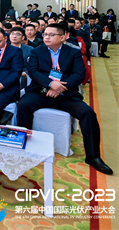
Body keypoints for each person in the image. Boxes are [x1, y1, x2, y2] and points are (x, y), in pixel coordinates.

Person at [17, 23, 112, 175]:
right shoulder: (37, 51)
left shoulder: (73, 52)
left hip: (65, 94)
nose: (46, 37)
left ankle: (93, 156)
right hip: (41, 92)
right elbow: (33, 71)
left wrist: (60, 88)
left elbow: (79, 74)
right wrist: (50, 84)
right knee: (23, 105)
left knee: (88, 113)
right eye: (45, 34)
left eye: (51, 35)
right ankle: (25, 145)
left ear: (63, 37)